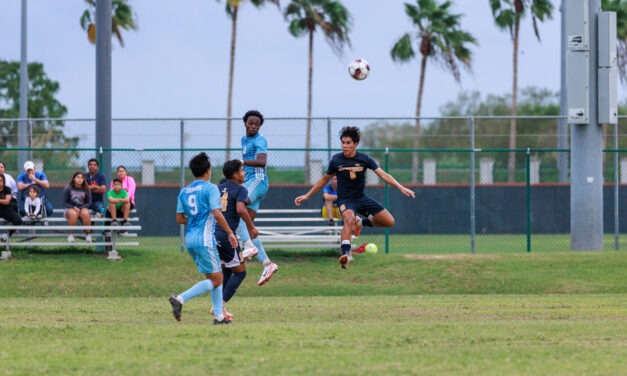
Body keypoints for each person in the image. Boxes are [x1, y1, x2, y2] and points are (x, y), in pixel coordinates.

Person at [295, 126, 415, 269]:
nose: (344, 146)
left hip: (361, 198)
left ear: (356, 144)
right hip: (345, 200)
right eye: (343, 142)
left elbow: (383, 175)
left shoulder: (364, 159)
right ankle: (346, 254)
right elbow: (324, 179)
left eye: (348, 143)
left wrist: (400, 186)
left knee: (389, 222)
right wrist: (307, 195)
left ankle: (361, 223)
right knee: (348, 219)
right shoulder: (336, 160)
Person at [169, 152, 238, 325]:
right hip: (205, 239)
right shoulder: (211, 188)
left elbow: (179, 219)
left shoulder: (184, 191)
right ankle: (180, 299)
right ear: (208, 170)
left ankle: (219, 317)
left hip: (190, 240)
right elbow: (216, 212)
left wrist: (194, 219)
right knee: (217, 279)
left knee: (215, 278)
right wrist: (230, 232)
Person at [235, 110, 279, 286]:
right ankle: (267, 264)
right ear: (245, 123)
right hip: (250, 182)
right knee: (245, 226)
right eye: (251, 123)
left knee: (235, 206)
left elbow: (262, 162)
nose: (253, 126)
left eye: (257, 124)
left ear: (259, 126)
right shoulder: (244, 140)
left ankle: (247, 245)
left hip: (257, 181)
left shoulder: (260, 140)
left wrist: (241, 163)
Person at [213, 160, 259, 321]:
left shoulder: (217, 189)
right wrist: (251, 226)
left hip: (214, 235)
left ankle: (219, 308)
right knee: (240, 273)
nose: (244, 173)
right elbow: (240, 209)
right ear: (234, 175)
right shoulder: (241, 189)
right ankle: (219, 307)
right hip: (227, 236)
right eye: (242, 170)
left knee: (226, 270)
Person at [63, 172, 93, 243]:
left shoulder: (86, 189)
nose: (80, 179)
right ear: (74, 179)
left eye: (81, 178)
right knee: (73, 214)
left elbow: (88, 203)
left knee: (86, 213)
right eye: (78, 177)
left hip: (82, 208)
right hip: (70, 209)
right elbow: (65, 203)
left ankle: (88, 235)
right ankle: (70, 235)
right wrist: (74, 207)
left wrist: (80, 208)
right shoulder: (68, 188)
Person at [0, 174, 22, 242]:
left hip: (5, 209)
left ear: (3, 181)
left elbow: (7, 201)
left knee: (18, 220)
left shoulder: (7, 189)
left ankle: (6, 235)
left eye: (1, 181)